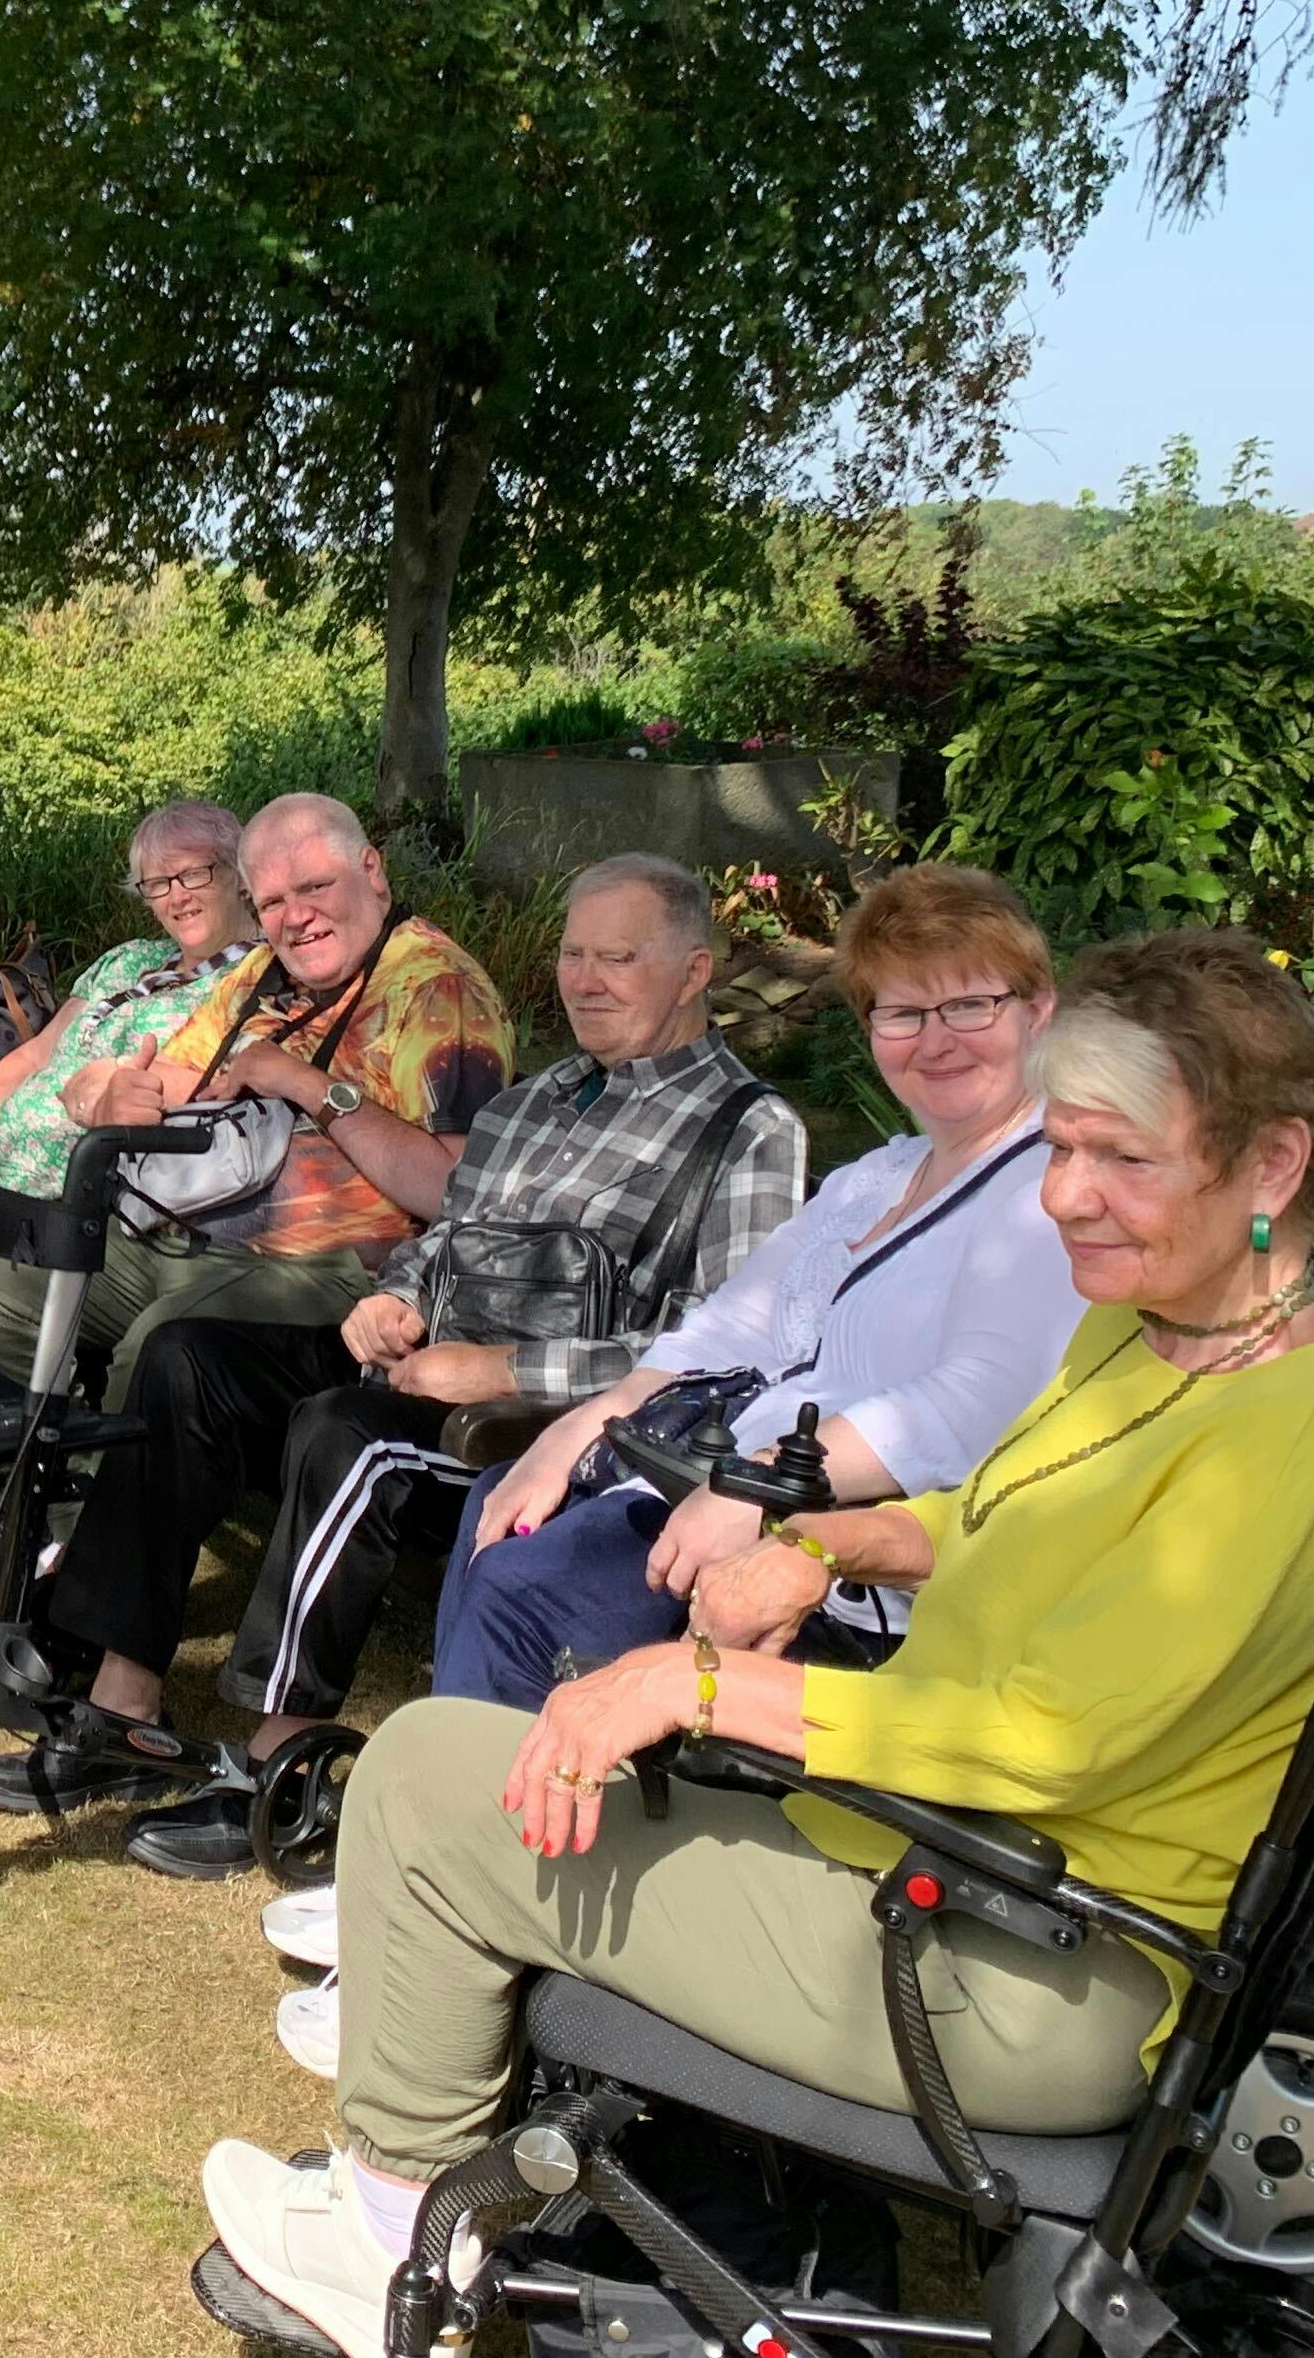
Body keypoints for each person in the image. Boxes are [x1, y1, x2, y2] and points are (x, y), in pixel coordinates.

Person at [199, 928, 1314, 2358]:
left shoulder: (1308, 1438)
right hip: (957, 1874)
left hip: (1019, 1967)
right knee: (487, 1748)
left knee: (427, 1783)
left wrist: (696, 1683)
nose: (1065, 1196)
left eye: (1122, 1158)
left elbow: (1050, 1736)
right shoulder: (1161, 1335)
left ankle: (384, 2242)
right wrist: (828, 1545)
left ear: (1273, 1166)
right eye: (1060, 1147)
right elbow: (1005, 1517)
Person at [255, 864, 1081, 2033]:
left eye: (970, 1006)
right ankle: (445, 1882)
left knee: (530, 1589)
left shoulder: (1045, 1193)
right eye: (903, 1011)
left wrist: (756, 1493)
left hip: (861, 1563)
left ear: (1038, 1010)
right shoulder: (885, 1175)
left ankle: (449, 1923)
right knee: (511, 1507)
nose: (933, 1039)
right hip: (727, 1483)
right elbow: (728, 1325)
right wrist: (577, 1432)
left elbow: (967, 1403)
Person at [0, 855, 795, 1852]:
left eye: (618, 959)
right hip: (426, 1371)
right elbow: (444, 1238)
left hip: (548, 1434)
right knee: (187, 1360)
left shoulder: (747, 1129)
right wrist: (395, 1301)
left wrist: (503, 1371)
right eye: (573, 955)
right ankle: (124, 1703)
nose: (585, 981)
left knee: (351, 1436)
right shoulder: (538, 1101)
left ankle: (284, 1764)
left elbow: (728, 1359)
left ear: (694, 970)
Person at [0, 794, 513, 1415]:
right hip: (183, 1232)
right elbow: (172, 1076)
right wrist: (116, 1095)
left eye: (315, 887)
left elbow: (450, 1190)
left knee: (160, 1341)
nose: (297, 918)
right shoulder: (260, 972)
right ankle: (53, 1442)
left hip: (326, 1267)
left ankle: (85, 1473)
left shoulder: (435, 989)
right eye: (273, 902)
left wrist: (303, 1083)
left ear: (372, 871)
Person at [0, 799, 258, 1190]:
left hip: (83, 1198)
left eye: (194, 874)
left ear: (239, 874)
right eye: (158, 883)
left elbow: (213, 1091)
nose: (176, 896)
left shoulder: (256, 980)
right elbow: (36, 1054)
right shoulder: (129, 959)